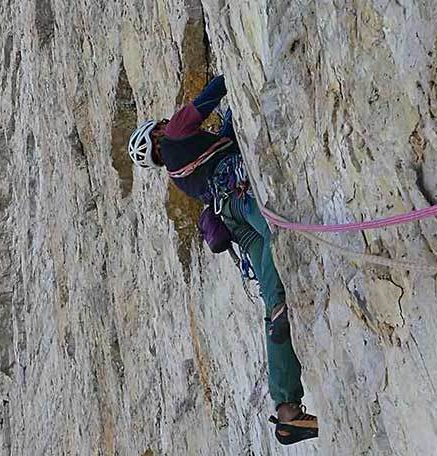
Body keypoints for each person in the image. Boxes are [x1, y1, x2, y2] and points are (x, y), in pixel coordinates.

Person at [128, 75, 318, 445]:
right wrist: (232, 74)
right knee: (283, 233)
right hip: (244, 198)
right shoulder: (174, 134)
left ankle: (287, 412)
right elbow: (212, 93)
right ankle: (287, 407)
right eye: (160, 127)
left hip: (232, 221)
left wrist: (229, 124)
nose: (166, 123)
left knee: (274, 300)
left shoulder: (179, 178)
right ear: (156, 138)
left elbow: (224, 143)